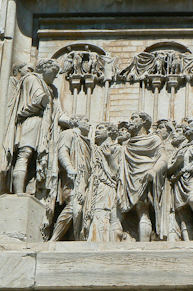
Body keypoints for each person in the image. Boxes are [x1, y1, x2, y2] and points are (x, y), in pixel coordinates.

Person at [1, 58, 69, 196]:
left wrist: (72, 121)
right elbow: (39, 99)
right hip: (32, 121)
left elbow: (58, 112)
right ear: (44, 68)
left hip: (44, 125)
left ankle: (29, 191)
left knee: (34, 159)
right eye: (54, 71)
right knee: (25, 154)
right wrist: (46, 100)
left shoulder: (50, 88)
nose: (55, 76)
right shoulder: (32, 79)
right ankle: (19, 193)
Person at [117, 112, 166, 241]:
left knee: (142, 210)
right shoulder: (128, 143)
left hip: (145, 176)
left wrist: (154, 170)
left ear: (144, 121)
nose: (130, 121)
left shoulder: (154, 139)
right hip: (130, 179)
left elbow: (163, 157)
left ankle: (144, 245)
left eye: (134, 118)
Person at [51, 115, 91, 241]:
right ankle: (54, 239)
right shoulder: (69, 134)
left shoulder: (85, 140)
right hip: (72, 178)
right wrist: (69, 168)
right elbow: (63, 151)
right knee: (73, 207)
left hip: (84, 179)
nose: (89, 124)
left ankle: (75, 239)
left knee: (80, 209)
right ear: (76, 122)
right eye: (86, 121)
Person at [83, 122, 124, 242]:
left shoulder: (117, 148)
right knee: (94, 215)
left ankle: (101, 243)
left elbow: (118, 173)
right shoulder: (93, 149)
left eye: (101, 128)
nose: (96, 131)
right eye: (96, 128)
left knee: (101, 215)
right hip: (93, 186)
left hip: (106, 186)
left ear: (110, 132)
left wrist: (109, 157)